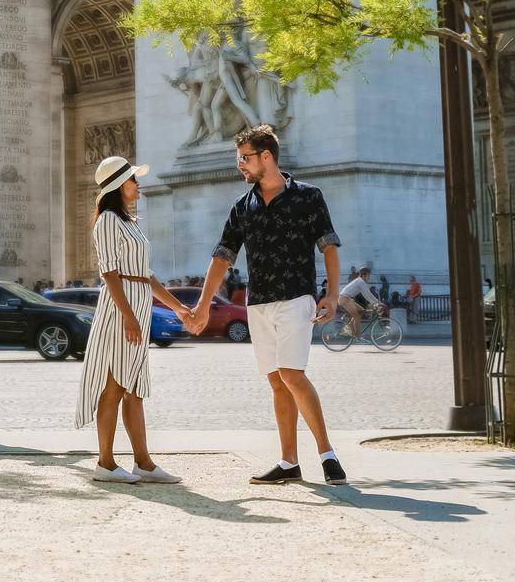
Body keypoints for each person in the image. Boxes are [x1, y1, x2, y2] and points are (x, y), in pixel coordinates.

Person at [188, 125, 346, 486]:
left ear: (266, 157)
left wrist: (332, 294)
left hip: (297, 297)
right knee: (276, 381)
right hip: (258, 303)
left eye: (245, 159)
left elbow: (330, 246)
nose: (240, 166)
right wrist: (201, 305)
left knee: (292, 374)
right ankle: (288, 461)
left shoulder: (309, 196)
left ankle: (327, 455)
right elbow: (221, 258)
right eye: (238, 159)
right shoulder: (242, 206)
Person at [75, 154, 190, 485]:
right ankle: (105, 462)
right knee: (114, 385)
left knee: (134, 389)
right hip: (120, 307)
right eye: (133, 179)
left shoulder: (130, 223)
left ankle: (144, 462)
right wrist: (128, 317)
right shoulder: (109, 221)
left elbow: (147, 276)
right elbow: (109, 273)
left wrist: (178, 308)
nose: (138, 184)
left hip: (137, 303)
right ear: (118, 185)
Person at [338, 267, 383, 339]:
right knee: (357, 317)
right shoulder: (360, 282)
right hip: (344, 299)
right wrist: (376, 302)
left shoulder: (361, 281)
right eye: (368, 275)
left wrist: (376, 302)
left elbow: (367, 294)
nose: (369, 277)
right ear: (363, 275)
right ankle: (358, 336)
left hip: (347, 299)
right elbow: (367, 294)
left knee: (361, 311)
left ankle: (350, 328)